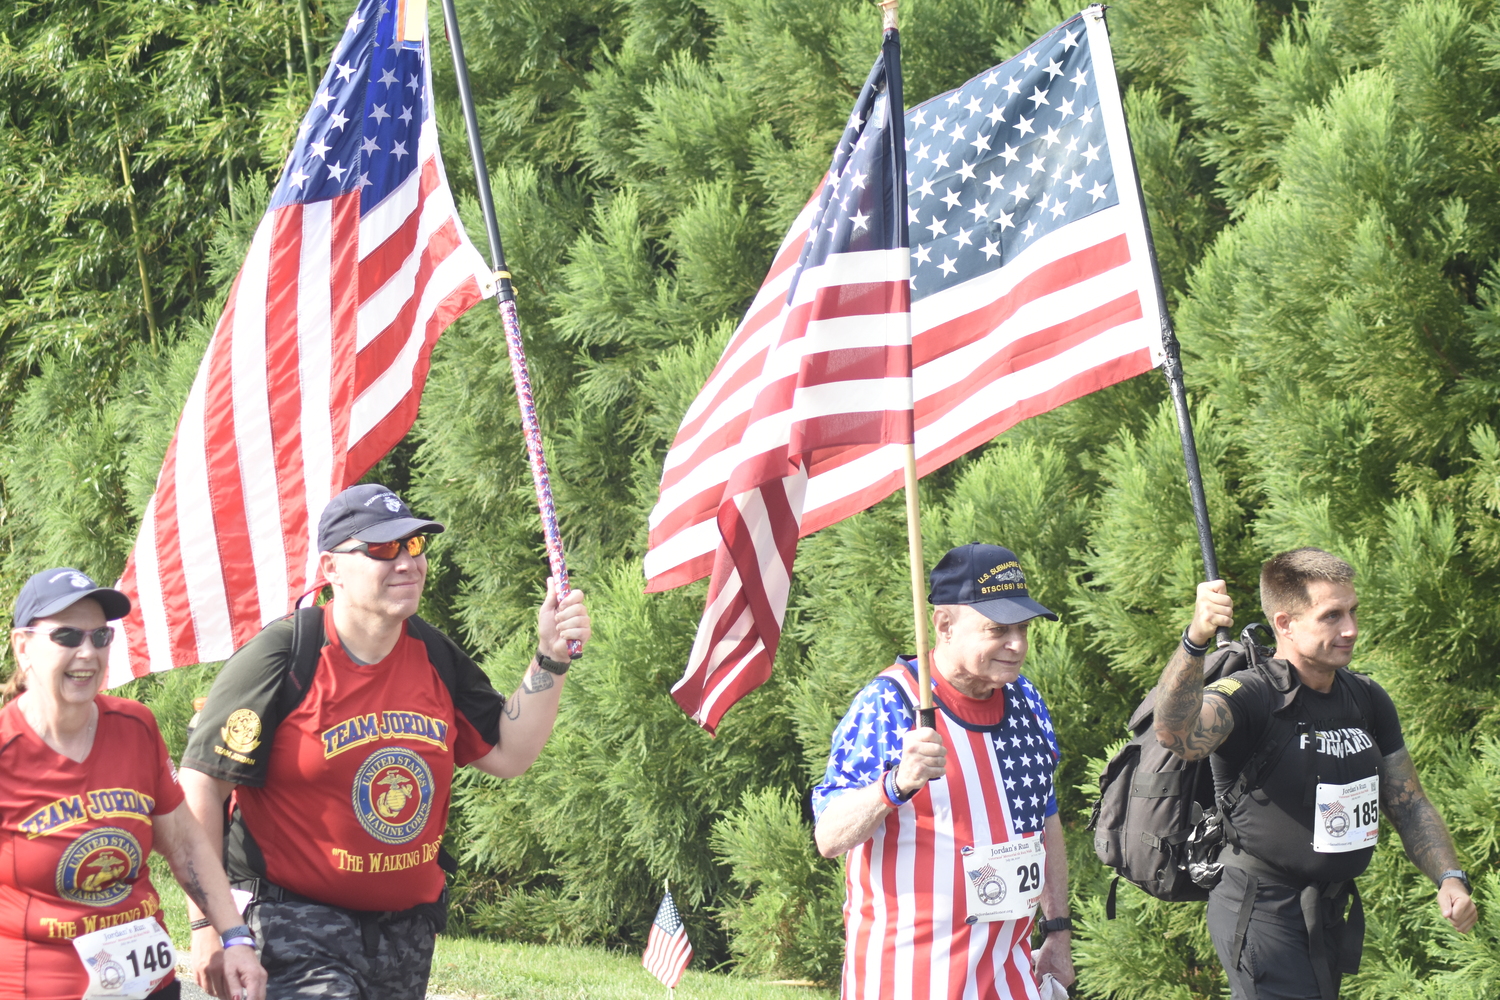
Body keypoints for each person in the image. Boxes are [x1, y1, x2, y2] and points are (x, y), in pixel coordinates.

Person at [179, 484, 591, 1000]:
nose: (406, 563)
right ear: (331, 569)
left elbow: (509, 751)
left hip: (405, 935)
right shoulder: (284, 656)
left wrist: (550, 658)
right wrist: (210, 928)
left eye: (413, 546)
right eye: (380, 549)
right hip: (294, 925)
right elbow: (199, 788)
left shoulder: (435, 655)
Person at [1154, 547, 1477, 1000]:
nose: (1351, 629)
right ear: (1285, 623)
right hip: (1261, 912)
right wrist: (1195, 641)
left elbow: (1407, 802)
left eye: (1352, 612)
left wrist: (1449, 876)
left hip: (1326, 910)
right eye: (1331, 616)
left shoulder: (1366, 697)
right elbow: (1175, 734)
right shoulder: (1251, 696)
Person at [813, 543, 1075, 1000]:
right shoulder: (890, 703)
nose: (1017, 645)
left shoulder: (1026, 700)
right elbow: (830, 837)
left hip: (1007, 976)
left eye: (1023, 628)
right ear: (945, 626)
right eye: (998, 629)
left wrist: (1057, 931)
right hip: (908, 980)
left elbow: (1044, 819)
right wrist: (895, 784)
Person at [0, 568, 266, 1000]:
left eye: (100, 637)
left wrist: (235, 938)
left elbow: (184, 845)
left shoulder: (135, 726)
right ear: (23, 646)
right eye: (67, 637)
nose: (87, 653)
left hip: (146, 984)